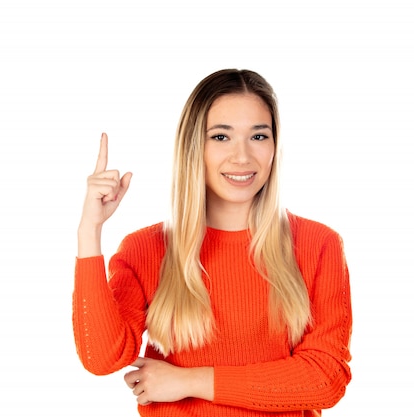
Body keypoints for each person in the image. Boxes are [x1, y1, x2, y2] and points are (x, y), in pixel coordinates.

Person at [72, 69, 352, 417]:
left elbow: (325, 379)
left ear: (275, 146)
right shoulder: (147, 249)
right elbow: (102, 358)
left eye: (259, 136)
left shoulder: (318, 245)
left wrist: (190, 381)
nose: (242, 157)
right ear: (194, 146)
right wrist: (90, 231)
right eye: (221, 137)